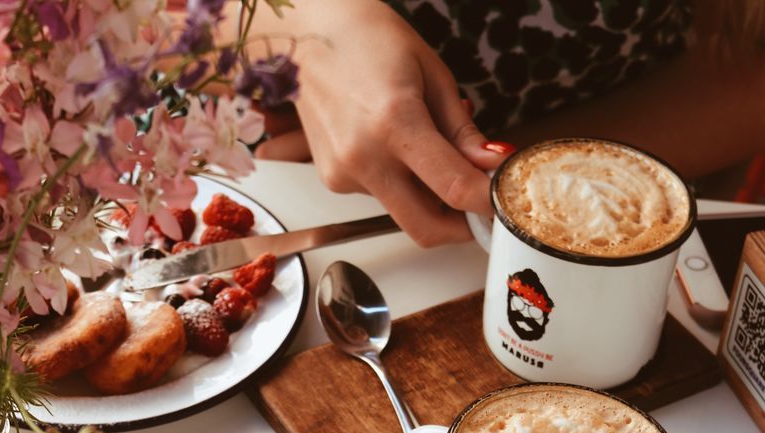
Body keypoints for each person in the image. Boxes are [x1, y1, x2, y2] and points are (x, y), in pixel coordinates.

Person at [237, 0, 765, 247]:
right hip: (260, 181)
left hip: (589, 224)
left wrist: (522, 179)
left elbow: (749, 58)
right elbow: (161, 25)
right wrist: (306, 23)